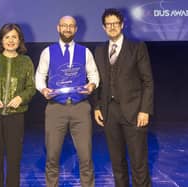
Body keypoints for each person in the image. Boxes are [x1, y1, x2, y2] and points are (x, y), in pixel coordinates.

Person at [35, 15, 99, 187]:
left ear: (76, 29)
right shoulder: (47, 52)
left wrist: (92, 85)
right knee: (52, 156)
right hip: (56, 108)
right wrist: (43, 89)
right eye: (64, 25)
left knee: (86, 157)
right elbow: (40, 76)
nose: (67, 29)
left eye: (71, 26)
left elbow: (94, 74)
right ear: (58, 28)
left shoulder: (85, 52)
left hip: (80, 108)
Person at [93, 9, 154, 187]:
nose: (112, 27)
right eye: (108, 24)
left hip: (134, 111)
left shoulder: (137, 48)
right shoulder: (99, 51)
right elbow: (98, 83)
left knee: (138, 163)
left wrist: (145, 110)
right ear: (104, 27)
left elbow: (148, 81)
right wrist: (97, 106)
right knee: (117, 163)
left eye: (115, 23)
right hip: (109, 113)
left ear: (122, 25)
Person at [0, 23, 35, 187]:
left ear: (20, 40)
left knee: (14, 160)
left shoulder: (26, 61)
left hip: (15, 117)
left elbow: (31, 87)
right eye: (7, 37)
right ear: (1, 40)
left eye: (14, 37)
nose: (10, 40)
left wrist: (20, 98)